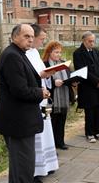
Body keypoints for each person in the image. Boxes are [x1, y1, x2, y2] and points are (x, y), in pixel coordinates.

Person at [0, 24, 51, 183]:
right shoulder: (12, 55)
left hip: (18, 120)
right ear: (14, 36)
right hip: (18, 122)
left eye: (32, 36)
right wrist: (41, 92)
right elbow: (20, 90)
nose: (31, 40)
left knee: (20, 166)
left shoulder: (19, 53)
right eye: (26, 36)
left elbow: (24, 80)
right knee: (23, 167)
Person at [26, 24, 59, 181]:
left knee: (46, 131)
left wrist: (49, 74)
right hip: (34, 98)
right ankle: (36, 170)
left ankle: (47, 165)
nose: (42, 42)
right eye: (41, 39)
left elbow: (40, 74)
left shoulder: (35, 53)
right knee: (37, 137)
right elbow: (31, 77)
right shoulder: (24, 55)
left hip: (42, 98)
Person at [73, 31, 99, 143]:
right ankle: (89, 133)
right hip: (88, 87)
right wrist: (96, 81)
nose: (92, 43)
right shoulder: (78, 53)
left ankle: (98, 131)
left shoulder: (96, 52)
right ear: (84, 41)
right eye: (90, 41)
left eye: (93, 41)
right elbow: (82, 70)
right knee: (90, 111)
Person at [42, 41, 72, 150]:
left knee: (62, 121)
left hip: (64, 97)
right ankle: (52, 145)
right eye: (56, 52)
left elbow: (69, 77)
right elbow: (43, 82)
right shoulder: (45, 64)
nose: (59, 55)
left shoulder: (63, 64)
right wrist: (54, 84)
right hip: (52, 97)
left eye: (60, 52)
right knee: (52, 122)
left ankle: (61, 142)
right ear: (49, 52)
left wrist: (73, 80)